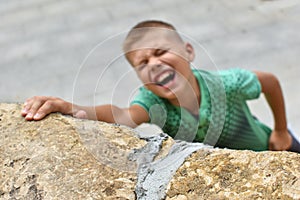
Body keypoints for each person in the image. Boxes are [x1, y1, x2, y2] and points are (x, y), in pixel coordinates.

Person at [21, 20, 300, 153]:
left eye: (161, 52)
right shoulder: (153, 104)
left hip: (273, 148)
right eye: (143, 62)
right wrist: (70, 107)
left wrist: (279, 129)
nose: (153, 64)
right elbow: (122, 115)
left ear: (189, 51)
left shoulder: (225, 84)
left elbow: (270, 82)